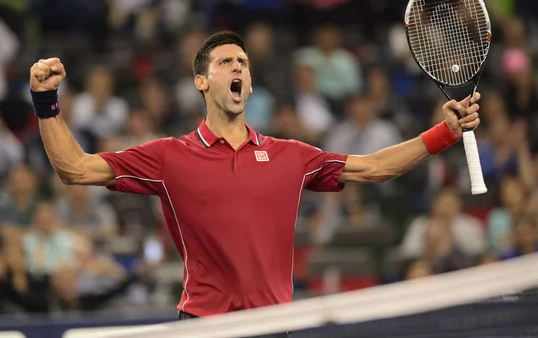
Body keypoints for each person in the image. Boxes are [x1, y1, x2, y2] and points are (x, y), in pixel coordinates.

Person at [29, 31, 481, 335]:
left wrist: (443, 133)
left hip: (273, 326)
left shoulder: (291, 155)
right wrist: (46, 100)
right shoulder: (169, 156)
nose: (238, 68)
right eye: (226, 62)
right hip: (204, 326)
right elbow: (76, 168)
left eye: (243, 62)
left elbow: (375, 167)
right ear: (201, 82)